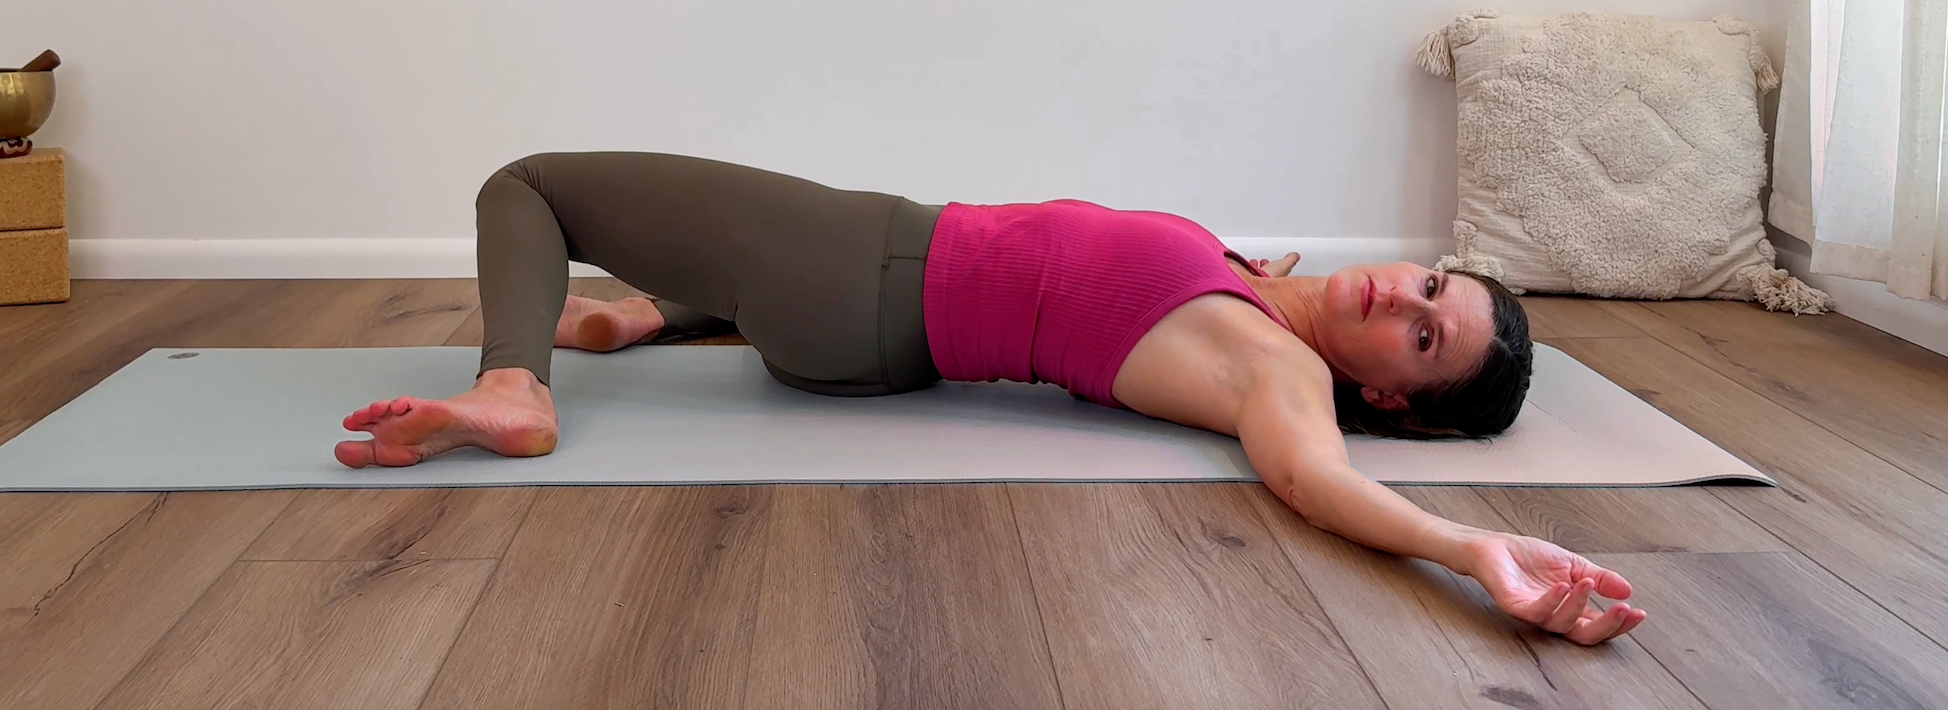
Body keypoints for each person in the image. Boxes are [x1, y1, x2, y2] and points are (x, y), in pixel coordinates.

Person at [337, 152, 1646, 646]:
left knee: (531, 187)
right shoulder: (1268, 293)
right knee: (694, 248)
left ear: (1393, 398)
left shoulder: (1280, 370)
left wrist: (1474, 549)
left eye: (1423, 337)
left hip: (867, 267)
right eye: (1430, 284)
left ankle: (514, 386)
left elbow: (1314, 477)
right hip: (862, 330)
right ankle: (654, 311)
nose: (1402, 298)